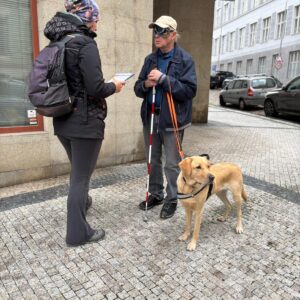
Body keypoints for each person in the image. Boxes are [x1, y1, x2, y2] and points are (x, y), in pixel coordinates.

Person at [44, 0, 124, 246]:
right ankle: (78, 233)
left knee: (79, 173)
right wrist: (116, 85)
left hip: (63, 119)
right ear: (86, 18)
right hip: (85, 122)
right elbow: (96, 88)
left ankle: (82, 203)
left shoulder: (58, 43)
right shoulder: (85, 44)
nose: (97, 23)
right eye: (96, 18)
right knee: (80, 178)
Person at [134, 16, 197, 219]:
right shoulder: (150, 59)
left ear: (172, 35)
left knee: (172, 163)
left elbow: (189, 90)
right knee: (153, 160)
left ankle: (172, 199)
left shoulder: (185, 59)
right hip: (151, 117)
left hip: (172, 121)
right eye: (155, 31)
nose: (156, 35)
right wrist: (146, 85)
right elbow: (137, 87)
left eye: (161, 31)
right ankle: (156, 194)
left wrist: (163, 80)